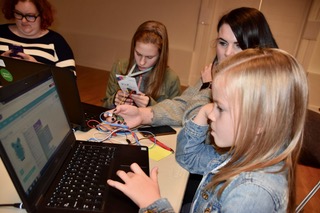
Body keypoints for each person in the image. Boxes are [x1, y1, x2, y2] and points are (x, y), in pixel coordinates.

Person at [106, 48, 309, 213]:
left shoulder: (251, 194)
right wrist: (203, 111)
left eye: (220, 107)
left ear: (259, 123)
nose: (212, 113)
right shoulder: (243, 153)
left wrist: (153, 204)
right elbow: (188, 157)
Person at [107, 7, 278, 129]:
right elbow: (183, 104)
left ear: (257, 47)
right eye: (223, 43)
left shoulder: (261, 88)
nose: (227, 53)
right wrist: (142, 115)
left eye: (239, 45)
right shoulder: (216, 68)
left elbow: (191, 122)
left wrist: (208, 87)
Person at [102, 20, 181, 109]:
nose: (142, 62)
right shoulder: (119, 66)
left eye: (149, 57)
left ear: (161, 55)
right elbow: (104, 106)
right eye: (138, 54)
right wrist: (113, 100)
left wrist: (150, 106)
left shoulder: (171, 79)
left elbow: (174, 118)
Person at [0, 0, 76, 71]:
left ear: (43, 15)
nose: (23, 21)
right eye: (18, 14)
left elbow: (68, 81)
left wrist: (38, 67)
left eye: (30, 16)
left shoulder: (57, 41)